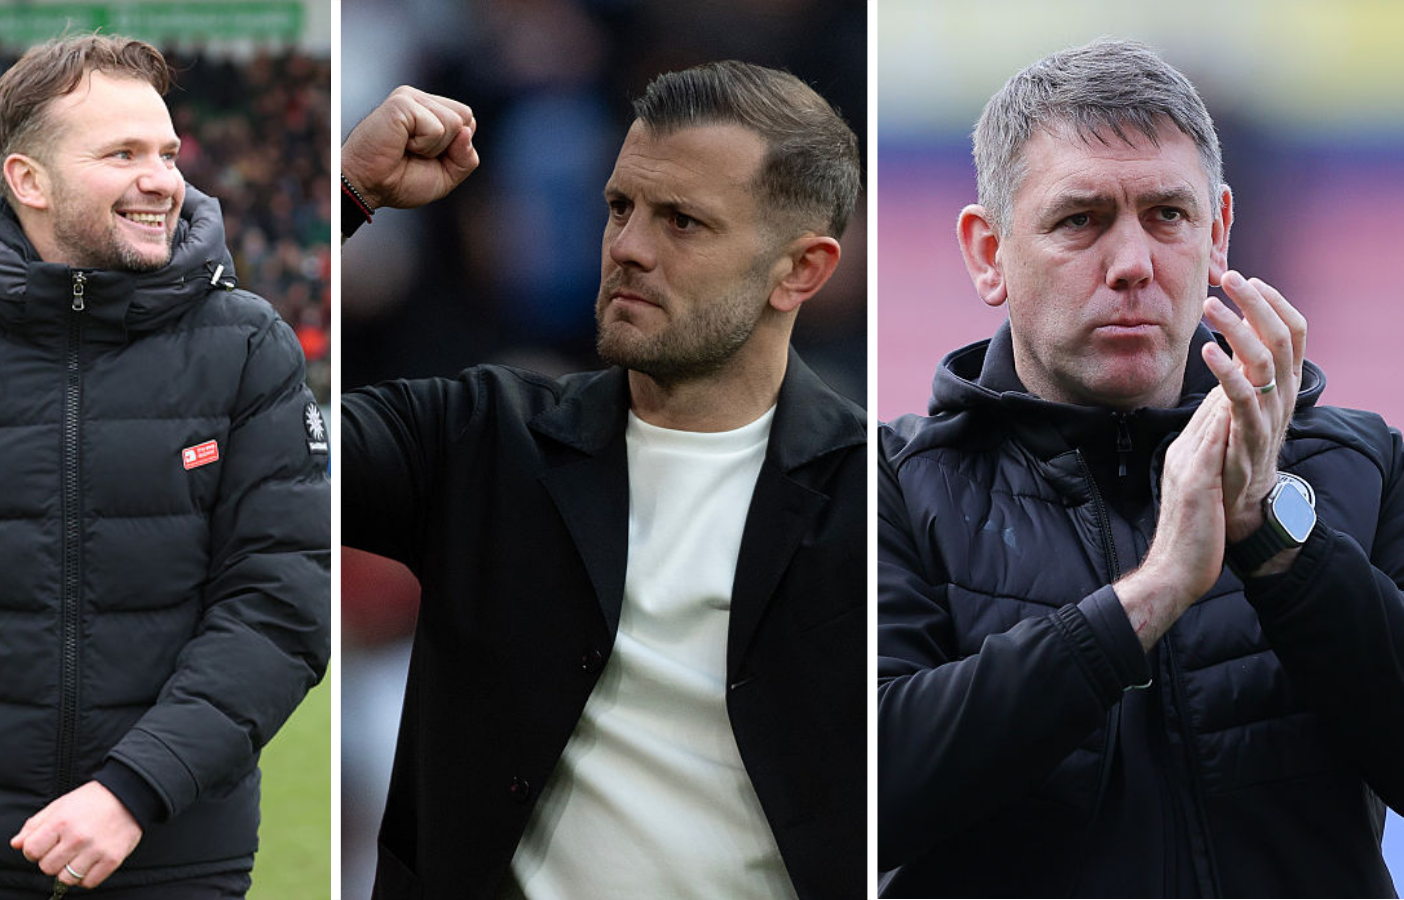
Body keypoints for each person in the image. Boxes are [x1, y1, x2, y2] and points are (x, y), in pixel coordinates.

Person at [0, 34, 329, 898]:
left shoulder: (250, 346)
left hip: (168, 855)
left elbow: (278, 606)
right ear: (29, 180)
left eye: (167, 152)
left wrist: (133, 792)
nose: (163, 179)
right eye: (123, 153)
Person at [879, 38, 1404, 896]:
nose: (1133, 265)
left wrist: (1278, 541)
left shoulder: (1363, 465)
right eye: (1078, 220)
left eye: (1168, 215)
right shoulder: (894, 486)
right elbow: (865, 791)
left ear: (1219, 232)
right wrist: (1151, 595)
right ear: (989, 254)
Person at [341, 61, 865, 899]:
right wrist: (344, 195)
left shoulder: (879, 501)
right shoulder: (479, 436)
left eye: (682, 222)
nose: (627, 247)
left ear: (801, 270)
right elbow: (208, 425)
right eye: (621, 207)